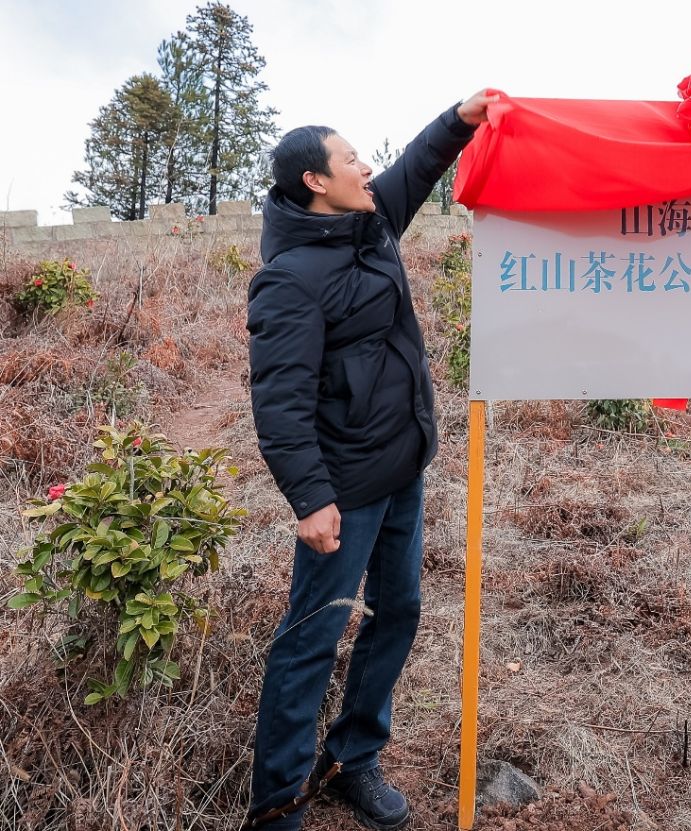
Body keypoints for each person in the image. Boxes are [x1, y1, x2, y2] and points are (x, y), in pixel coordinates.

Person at [243, 90, 500, 830]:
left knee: (398, 613)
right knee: (312, 637)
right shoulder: (290, 278)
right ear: (315, 181)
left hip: (401, 468)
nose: (366, 168)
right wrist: (310, 497)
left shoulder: (371, 221)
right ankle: (278, 802)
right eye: (351, 159)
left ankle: (353, 757)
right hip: (343, 490)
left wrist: (459, 118)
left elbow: (419, 164)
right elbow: (280, 401)